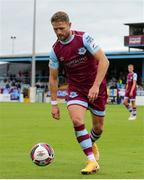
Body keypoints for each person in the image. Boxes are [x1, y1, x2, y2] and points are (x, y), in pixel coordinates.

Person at [48, 11, 109, 174]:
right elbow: (53, 78)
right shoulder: (55, 50)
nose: (58, 32)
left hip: (97, 87)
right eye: (55, 30)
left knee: (98, 129)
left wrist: (95, 86)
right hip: (76, 89)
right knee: (76, 120)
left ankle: (91, 143)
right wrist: (54, 104)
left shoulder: (84, 38)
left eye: (61, 28)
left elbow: (104, 61)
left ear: (69, 25)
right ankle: (91, 160)